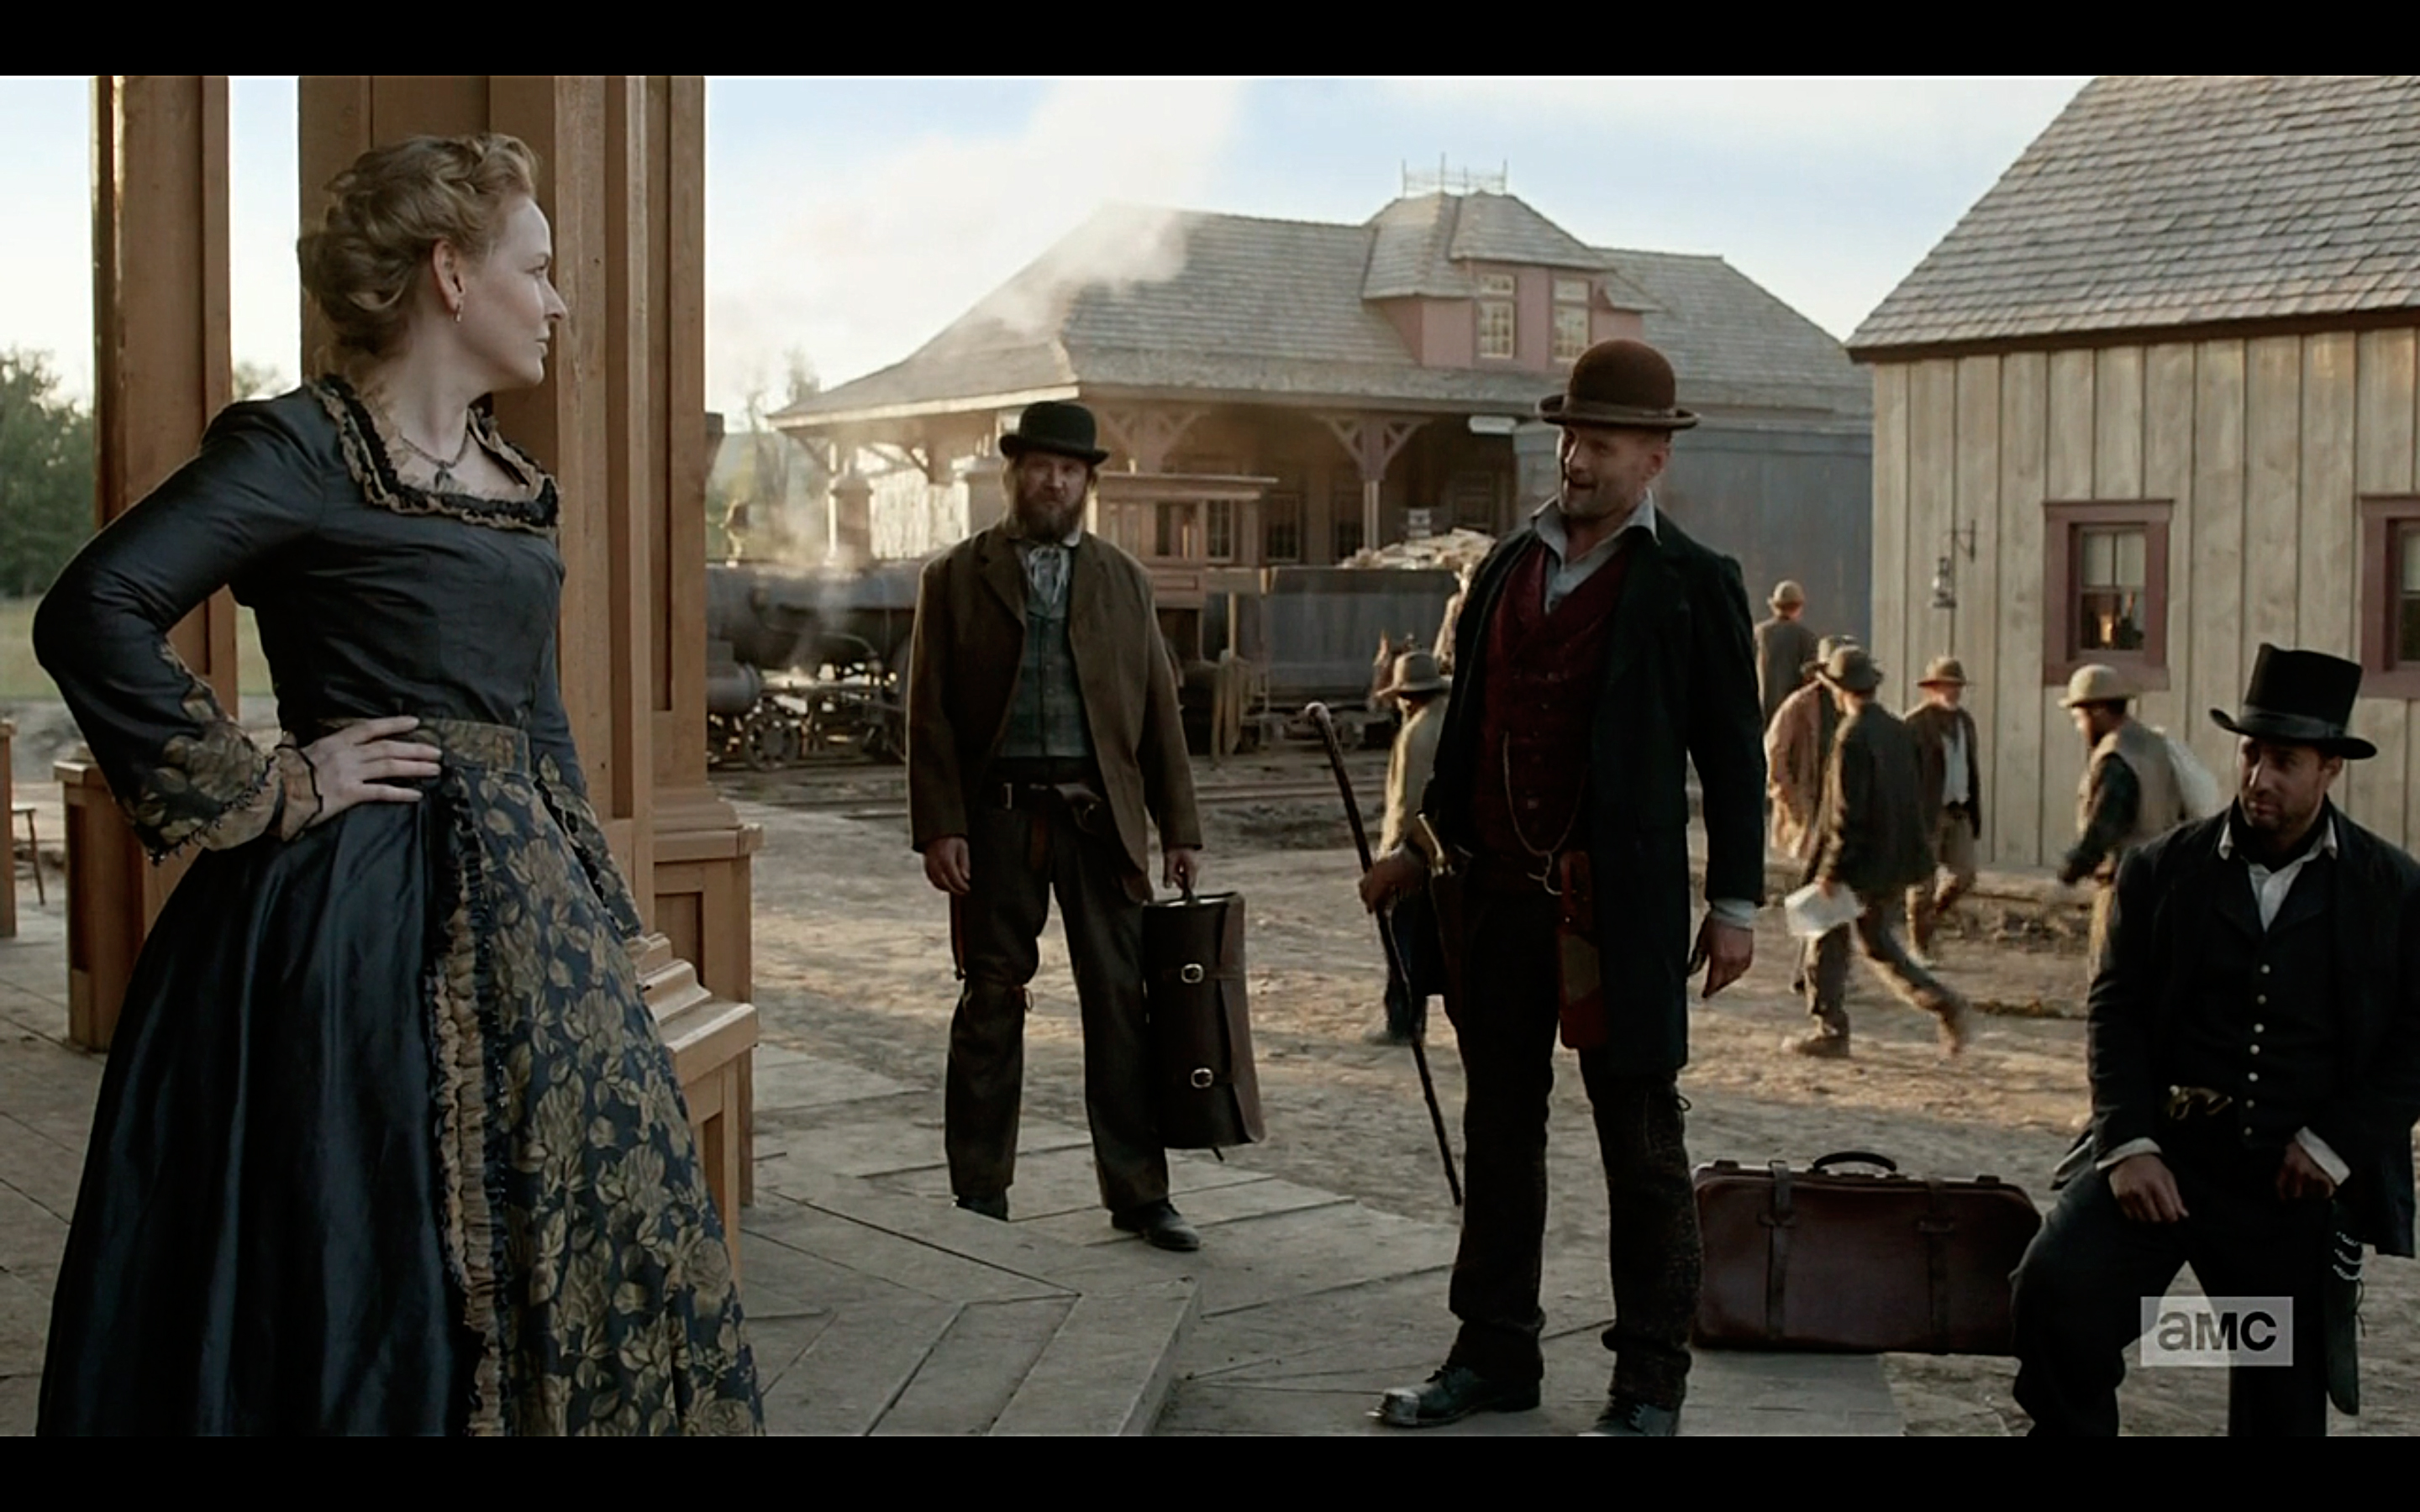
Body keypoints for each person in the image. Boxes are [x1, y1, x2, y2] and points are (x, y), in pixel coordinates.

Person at [30, 134, 760, 1435]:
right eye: (535, 270)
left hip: (533, 927)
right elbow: (95, 609)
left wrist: (599, 920)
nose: (556, 301)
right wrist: (271, 787)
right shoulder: (302, 450)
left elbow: (535, 723)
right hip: (345, 925)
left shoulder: (513, 487)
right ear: (448, 273)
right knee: (357, 1244)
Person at [1357, 338, 1765, 1436]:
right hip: (1494, 899)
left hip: (1614, 911)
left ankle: (1648, 1383)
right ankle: (1493, 1355)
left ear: (1653, 459)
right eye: (1571, 438)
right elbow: (1465, 737)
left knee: (1638, 1141)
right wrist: (1415, 847)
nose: (1577, 461)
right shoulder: (1502, 570)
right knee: (1501, 1131)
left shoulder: (1693, 585)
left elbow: (1734, 756)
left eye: (1603, 443)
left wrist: (1735, 905)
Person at [2010, 645, 2420, 1436]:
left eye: (2286, 761)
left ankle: (2234, 1344)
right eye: (2252, 754)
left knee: (2274, 1381)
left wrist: (2336, 1143)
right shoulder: (2163, 872)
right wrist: (2128, 1143)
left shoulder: (2389, 889)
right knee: (2056, 1296)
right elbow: (2116, 1009)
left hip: (2286, 1187)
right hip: (2166, 1154)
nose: (2261, 778)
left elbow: (2414, 1040)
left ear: (2331, 768)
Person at [907, 400, 1207, 1252]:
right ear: (1014, 474)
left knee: (1121, 1003)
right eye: (1039, 466)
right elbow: (927, 715)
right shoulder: (955, 578)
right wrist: (940, 826)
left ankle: (1140, 1194)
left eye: (1069, 470)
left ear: (1087, 483)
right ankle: (979, 1193)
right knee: (990, 1001)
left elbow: (1159, 714)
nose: (1053, 481)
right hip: (996, 821)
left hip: (1098, 819)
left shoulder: (1123, 581)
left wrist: (1178, 828)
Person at [1791, 647, 1973, 1058]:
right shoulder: (1895, 729)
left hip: (1859, 862)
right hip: (1893, 860)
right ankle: (1945, 1004)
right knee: (1878, 944)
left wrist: (1832, 869)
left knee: (1826, 940)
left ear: (1838, 689)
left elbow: (1846, 811)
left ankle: (1831, 1029)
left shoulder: (1852, 735)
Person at [2056, 664, 2192, 967]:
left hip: (2124, 885)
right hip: (2163, 883)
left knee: (2108, 975)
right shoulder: (2155, 745)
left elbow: (2104, 826)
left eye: (2079, 718)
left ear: (2099, 712)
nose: (2079, 728)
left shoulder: (2116, 758)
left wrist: (2070, 870)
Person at [1367, 649, 1451, 1047]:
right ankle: (1412, 1020)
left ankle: (1403, 1022)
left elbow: (1408, 802)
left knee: (1402, 943)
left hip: (1413, 854)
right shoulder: (1449, 718)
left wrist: (1394, 854)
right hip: (1441, 854)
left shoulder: (1416, 733)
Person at [1903, 655, 1983, 962]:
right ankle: (1918, 944)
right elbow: (1904, 774)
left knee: (1965, 875)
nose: (1952, 693)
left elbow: (1970, 767)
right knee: (1922, 884)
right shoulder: (1915, 724)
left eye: (1956, 688)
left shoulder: (1965, 722)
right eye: (1946, 687)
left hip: (1959, 808)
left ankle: (1930, 922)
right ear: (1931, 688)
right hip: (1927, 813)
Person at [1754, 579, 1818, 730]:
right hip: (1793, 721)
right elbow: (1810, 682)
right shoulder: (1806, 638)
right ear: (1799, 607)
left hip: (1759, 717)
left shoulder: (1758, 635)